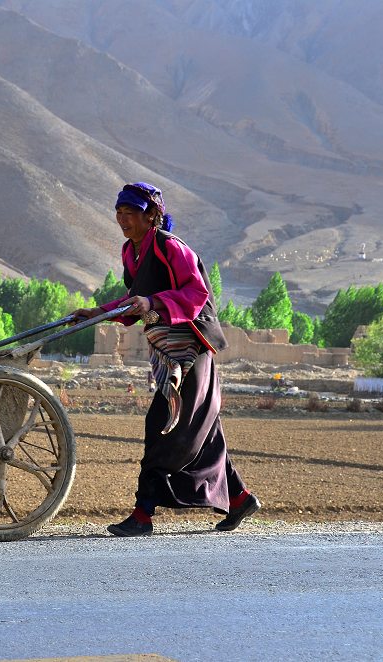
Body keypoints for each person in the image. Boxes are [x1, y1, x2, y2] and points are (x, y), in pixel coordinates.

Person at [72, 182, 261, 536]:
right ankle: (239, 498)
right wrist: (99, 313)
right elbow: (135, 299)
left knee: (164, 423)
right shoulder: (132, 251)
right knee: (204, 434)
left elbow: (196, 292)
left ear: (151, 216)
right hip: (168, 351)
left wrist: (154, 303)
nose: (122, 219)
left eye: (130, 212)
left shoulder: (171, 248)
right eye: (119, 212)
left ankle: (142, 515)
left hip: (191, 351)